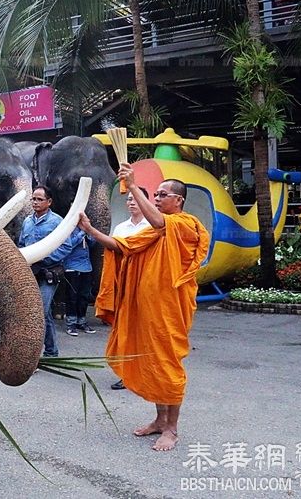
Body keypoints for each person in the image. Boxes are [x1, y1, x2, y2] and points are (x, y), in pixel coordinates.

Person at [79, 164, 209, 451]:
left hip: (169, 312)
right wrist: (90, 230)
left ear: (179, 201)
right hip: (145, 311)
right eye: (157, 195)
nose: (159, 199)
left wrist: (134, 186)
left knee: (167, 366)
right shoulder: (152, 231)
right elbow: (119, 245)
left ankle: (172, 430)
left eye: (163, 195)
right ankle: (160, 420)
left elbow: (163, 224)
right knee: (152, 364)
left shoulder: (186, 225)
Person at [18, 186, 89, 357]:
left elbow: (66, 247)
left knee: (39, 312)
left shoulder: (58, 222)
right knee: (43, 313)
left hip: (48, 274)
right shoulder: (27, 221)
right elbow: (21, 244)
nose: (35, 202)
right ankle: (51, 351)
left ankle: (33, 356)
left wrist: (42, 257)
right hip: (30, 273)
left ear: (49, 202)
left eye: (39, 199)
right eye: (33, 199)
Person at [108, 186, 151, 390]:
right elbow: (115, 255)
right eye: (129, 200)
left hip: (149, 287)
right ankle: (127, 374)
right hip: (126, 286)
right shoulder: (121, 228)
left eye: (136, 199)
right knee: (126, 331)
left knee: (147, 332)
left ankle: (147, 371)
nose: (132, 203)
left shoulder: (153, 226)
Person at [61, 228, 96, 337]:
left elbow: (93, 244)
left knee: (84, 296)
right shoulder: (68, 229)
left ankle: (81, 321)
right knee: (72, 296)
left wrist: (89, 234)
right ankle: (71, 323)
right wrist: (81, 233)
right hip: (72, 267)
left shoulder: (85, 229)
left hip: (86, 267)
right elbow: (69, 245)